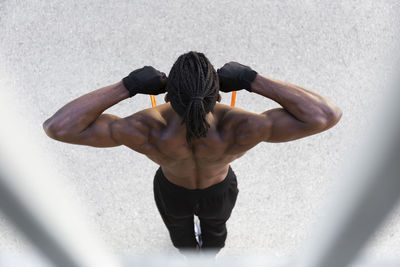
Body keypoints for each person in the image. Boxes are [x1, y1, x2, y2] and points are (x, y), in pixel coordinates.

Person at [42, 51, 342, 257]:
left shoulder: (145, 129)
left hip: (173, 191)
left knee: (181, 236)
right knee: (216, 231)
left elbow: (59, 127)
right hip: (218, 191)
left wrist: (128, 86)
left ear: (168, 95)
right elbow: (325, 115)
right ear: (219, 95)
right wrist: (251, 79)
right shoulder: (244, 127)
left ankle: (189, 257)